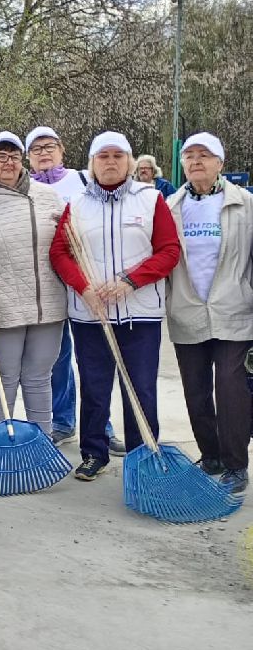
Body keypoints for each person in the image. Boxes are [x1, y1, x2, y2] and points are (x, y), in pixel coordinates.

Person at [49, 132, 181, 481]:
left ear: (130, 161)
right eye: (103, 156)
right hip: (90, 313)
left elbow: (169, 251)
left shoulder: (151, 200)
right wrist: (84, 289)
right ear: (92, 163)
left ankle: (142, 454)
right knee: (94, 386)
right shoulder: (76, 205)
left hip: (140, 313)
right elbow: (60, 253)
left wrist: (129, 281)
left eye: (118, 156)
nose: (110, 162)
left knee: (140, 387)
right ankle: (95, 451)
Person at [0, 132, 67, 438]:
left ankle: (41, 444)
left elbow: (65, 245)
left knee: (39, 377)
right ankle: (0, 441)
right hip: (0, 305)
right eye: (0, 157)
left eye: (14, 156)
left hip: (48, 302)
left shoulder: (48, 196)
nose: (8, 163)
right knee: (3, 377)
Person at [165, 133, 253, 495]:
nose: (196, 161)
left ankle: (236, 464)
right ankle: (210, 455)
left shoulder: (245, 204)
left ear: (220, 162)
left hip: (235, 309)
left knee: (232, 389)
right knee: (196, 390)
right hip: (188, 311)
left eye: (205, 155)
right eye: (190, 155)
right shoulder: (171, 207)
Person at [23, 125, 109, 450]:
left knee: (93, 358)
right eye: (37, 149)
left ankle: (102, 425)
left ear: (61, 150)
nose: (44, 153)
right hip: (47, 282)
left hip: (86, 280)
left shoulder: (82, 180)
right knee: (57, 357)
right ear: (28, 158)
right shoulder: (25, 188)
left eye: (50, 146)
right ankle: (62, 420)